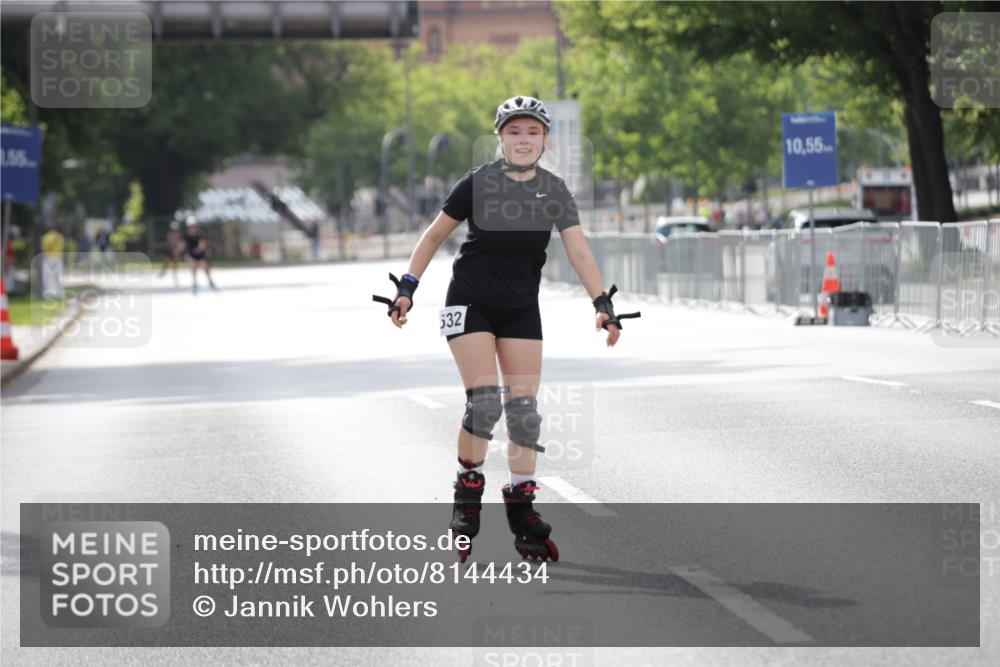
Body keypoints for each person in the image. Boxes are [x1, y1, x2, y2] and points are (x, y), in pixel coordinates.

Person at [373, 96, 639, 563]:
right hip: (470, 301)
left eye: (532, 132)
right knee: (484, 404)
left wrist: (602, 304)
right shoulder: (478, 183)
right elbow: (434, 235)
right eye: (514, 132)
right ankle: (467, 490)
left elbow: (578, 250)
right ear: (500, 137)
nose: (523, 140)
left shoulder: (554, 191)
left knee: (524, 414)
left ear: (545, 140)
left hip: (520, 308)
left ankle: (521, 506)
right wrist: (407, 288)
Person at [182, 219, 217, 294]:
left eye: (194, 226)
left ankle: (211, 282)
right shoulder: (186, 235)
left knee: (205, 266)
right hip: (191, 254)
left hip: (200, 253)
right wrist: (177, 251)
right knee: (193, 267)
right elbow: (183, 244)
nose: (193, 228)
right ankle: (195, 284)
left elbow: (202, 244)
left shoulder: (200, 234)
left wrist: (198, 249)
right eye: (191, 227)